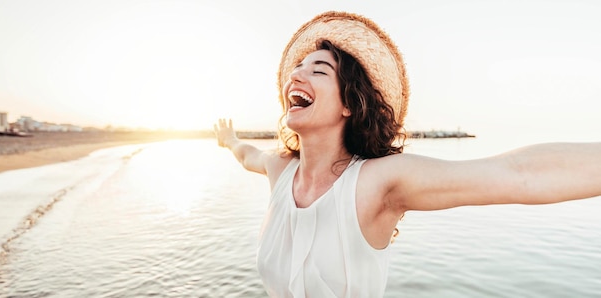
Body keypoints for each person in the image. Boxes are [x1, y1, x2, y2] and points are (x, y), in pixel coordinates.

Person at [214, 11, 601, 298]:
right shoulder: (279, 170)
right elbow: (245, 153)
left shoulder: (376, 184)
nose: (296, 75)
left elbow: (518, 174)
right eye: (297, 67)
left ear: (349, 104)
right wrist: (229, 140)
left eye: (318, 71)